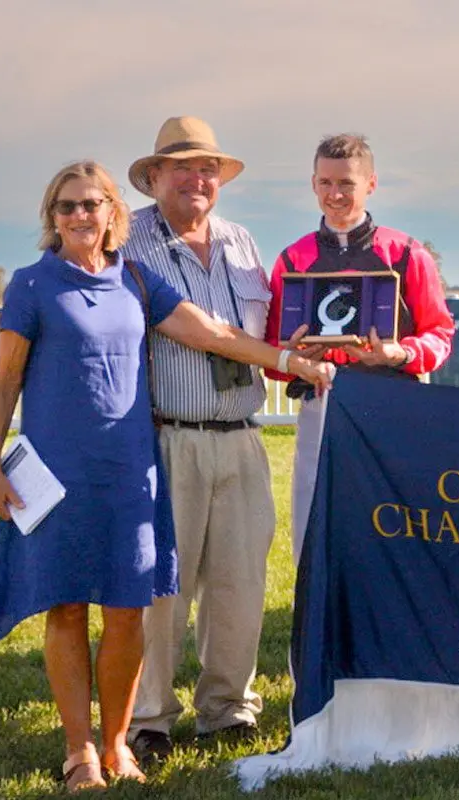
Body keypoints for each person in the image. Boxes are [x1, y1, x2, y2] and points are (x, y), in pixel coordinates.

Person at [0, 161, 330, 791]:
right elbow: (5, 381)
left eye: (91, 205)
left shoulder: (136, 279)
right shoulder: (31, 285)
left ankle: (117, 747)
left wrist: (285, 358)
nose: (80, 216)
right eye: (67, 207)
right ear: (51, 218)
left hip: (130, 472)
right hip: (56, 476)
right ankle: (79, 750)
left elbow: (215, 334)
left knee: (127, 613)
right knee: (65, 611)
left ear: (113, 212)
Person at [119, 116, 289, 761]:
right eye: (183, 167)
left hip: (243, 435)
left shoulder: (242, 241)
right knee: (162, 588)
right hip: (165, 437)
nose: (197, 178)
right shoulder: (125, 237)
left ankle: (227, 710)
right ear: (155, 176)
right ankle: (150, 718)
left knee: (239, 584)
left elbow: (271, 331)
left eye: (208, 168)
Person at [264, 133, 455, 563]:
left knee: (396, 523)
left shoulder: (406, 253)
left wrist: (399, 354)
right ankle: (316, 620)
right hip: (322, 404)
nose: (336, 194)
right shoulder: (292, 259)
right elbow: (272, 357)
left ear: (371, 184)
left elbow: (440, 334)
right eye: (327, 183)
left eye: (347, 183)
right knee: (316, 521)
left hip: (394, 404)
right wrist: (295, 360)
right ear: (313, 184)